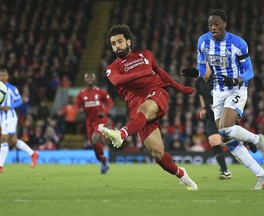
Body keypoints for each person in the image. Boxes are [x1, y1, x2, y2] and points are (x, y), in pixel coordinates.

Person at [99, 24, 198, 190]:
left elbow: (160, 72)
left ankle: (120, 134)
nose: (117, 46)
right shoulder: (112, 68)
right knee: (157, 153)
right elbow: (117, 81)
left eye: (120, 42)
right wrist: (144, 73)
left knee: (144, 110)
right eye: (114, 44)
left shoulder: (146, 55)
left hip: (155, 93)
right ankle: (182, 175)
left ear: (128, 41)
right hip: (136, 110)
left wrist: (181, 88)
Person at [182, 9, 264, 189]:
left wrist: (236, 79)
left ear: (224, 24)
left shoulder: (238, 43)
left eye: (216, 23)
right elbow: (202, 68)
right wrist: (195, 72)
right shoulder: (203, 42)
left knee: (225, 128)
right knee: (226, 137)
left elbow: (250, 71)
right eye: (210, 24)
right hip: (218, 91)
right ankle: (261, 175)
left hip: (236, 88)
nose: (213, 27)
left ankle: (258, 140)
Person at [0, 68, 39, 173]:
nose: (2, 77)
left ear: (8, 76)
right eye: (0, 75)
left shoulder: (11, 88)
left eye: (4, 75)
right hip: (2, 118)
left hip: (10, 116)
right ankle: (33, 154)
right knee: (13, 141)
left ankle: (0, 166)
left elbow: (19, 100)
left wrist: (9, 106)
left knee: (4, 138)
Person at [196, 63, 232, 179]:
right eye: (201, 69)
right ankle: (225, 171)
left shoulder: (217, 79)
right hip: (211, 117)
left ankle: (251, 142)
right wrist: (204, 108)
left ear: (210, 69)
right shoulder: (199, 82)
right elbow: (200, 95)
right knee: (213, 141)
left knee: (236, 138)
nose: (203, 71)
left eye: (205, 68)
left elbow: (228, 93)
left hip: (224, 115)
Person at [76, 73, 113, 174]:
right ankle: (103, 160)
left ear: (94, 79)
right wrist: (78, 110)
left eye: (91, 77)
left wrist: (104, 112)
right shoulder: (81, 94)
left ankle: (103, 160)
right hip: (89, 122)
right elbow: (78, 105)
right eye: (87, 77)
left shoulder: (100, 92)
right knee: (94, 144)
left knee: (95, 139)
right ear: (85, 79)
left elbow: (110, 103)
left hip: (100, 120)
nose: (89, 79)